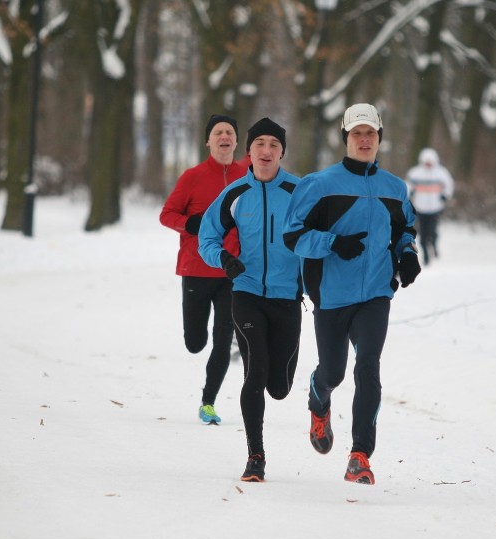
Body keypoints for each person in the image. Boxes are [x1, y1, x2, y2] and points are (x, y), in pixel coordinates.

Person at [283, 103, 421, 485]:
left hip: (376, 294)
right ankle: (318, 400)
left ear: (379, 138)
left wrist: (406, 255)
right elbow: (293, 236)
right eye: (357, 133)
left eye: (371, 134)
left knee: (369, 369)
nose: (364, 140)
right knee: (334, 372)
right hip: (331, 296)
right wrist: (332, 243)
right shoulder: (320, 184)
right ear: (345, 138)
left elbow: (406, 229)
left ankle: (360, 455)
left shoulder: (394, 188)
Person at [198, 118, 303, 482]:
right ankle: (255, 456)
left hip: (287, 297)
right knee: (254, 370)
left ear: (282, 152)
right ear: (249, 151)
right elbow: (207, 238)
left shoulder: (299, 191)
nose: (266, 150)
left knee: (279, 387)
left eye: (274, 143)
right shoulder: (234, 194)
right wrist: (223, 259)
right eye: (260, 143)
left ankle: (283, 384)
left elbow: (322, 236)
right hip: (245, 293)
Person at [159, 114, 249, 425]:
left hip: (231, 271)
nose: (224, 136)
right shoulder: (192, 177)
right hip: (196, 269)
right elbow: (166, 214)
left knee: (223, 338)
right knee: (195, 342)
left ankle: (208, 402)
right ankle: (195, 342)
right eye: (218, 132)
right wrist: (188, 223)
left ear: (236, 141)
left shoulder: (249, 175)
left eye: (229, 132)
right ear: (208, 141)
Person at [405, 147, 455, 264]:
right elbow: (407, 186)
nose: (428, 164)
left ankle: (434, 244)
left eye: (430, 162)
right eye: (426, 162)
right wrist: (409, 193)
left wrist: (445, 195)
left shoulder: (441, 173)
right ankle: (426, 255)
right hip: (420, 208)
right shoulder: (415, 173)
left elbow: (449, 185)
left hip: (435, 208)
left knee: (432, 231)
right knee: (422, 232)